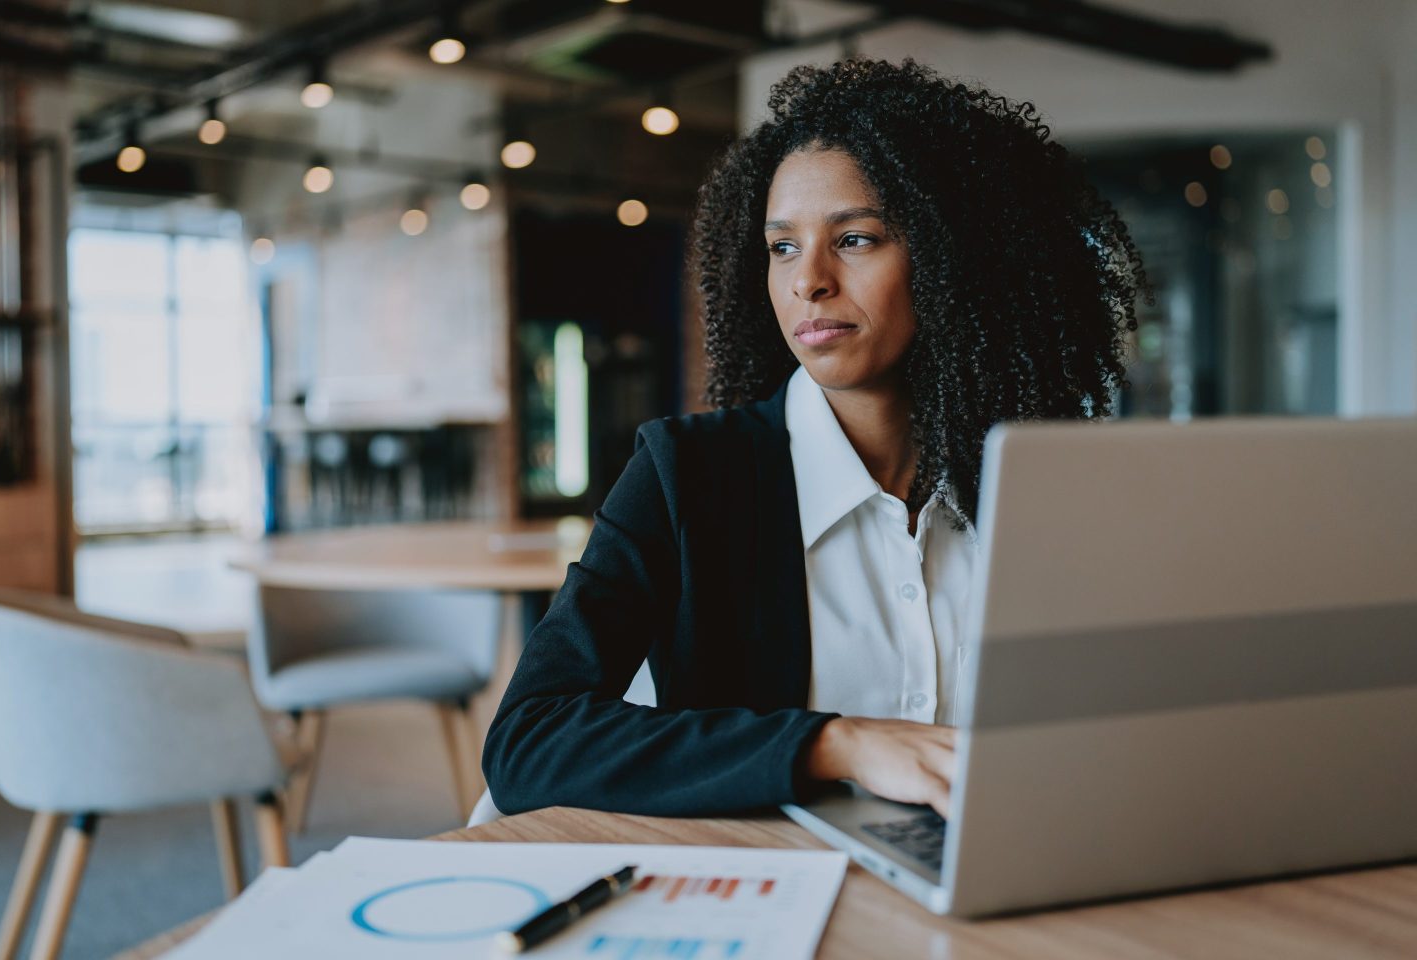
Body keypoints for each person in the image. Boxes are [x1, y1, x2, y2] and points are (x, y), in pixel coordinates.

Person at [482, 57, 1148, 818]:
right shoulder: (688, 476)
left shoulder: (1040, 486)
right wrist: (839, 742)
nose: (809, 281)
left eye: (856, 239)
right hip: (776, 899)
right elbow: (527, 740)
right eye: (783, 247)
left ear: (950, 259)